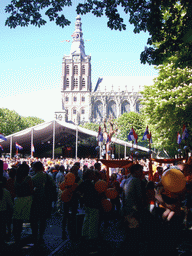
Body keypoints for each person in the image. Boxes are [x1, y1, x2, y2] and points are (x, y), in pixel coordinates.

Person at [121, 164, 145, 256]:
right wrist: (140, 209)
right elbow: (139, 197)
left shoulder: (126, 180)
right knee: (134, 233)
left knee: (129, 232)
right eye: (140, 170)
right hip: (133, 210)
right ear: (135, 171)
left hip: (126, 209)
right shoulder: (136, 180)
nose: (142, 172)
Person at [30, 161, 56, 245]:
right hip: (46, 202)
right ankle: (40, 235)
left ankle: (34, 235)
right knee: (43, 220)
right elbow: (53, 187)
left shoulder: (33, 178)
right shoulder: (48, 177)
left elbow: (30, 191)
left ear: (35, 168)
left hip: (36, 202)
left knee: (34, 220)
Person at [12, 163, 33, 248]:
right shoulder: (28, 178)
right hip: (27, 200)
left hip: (17, 200)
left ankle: (17, 239)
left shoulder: (16, 178)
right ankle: (33, 239)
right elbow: (31, 190)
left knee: (17, 221)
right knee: (31, 220)